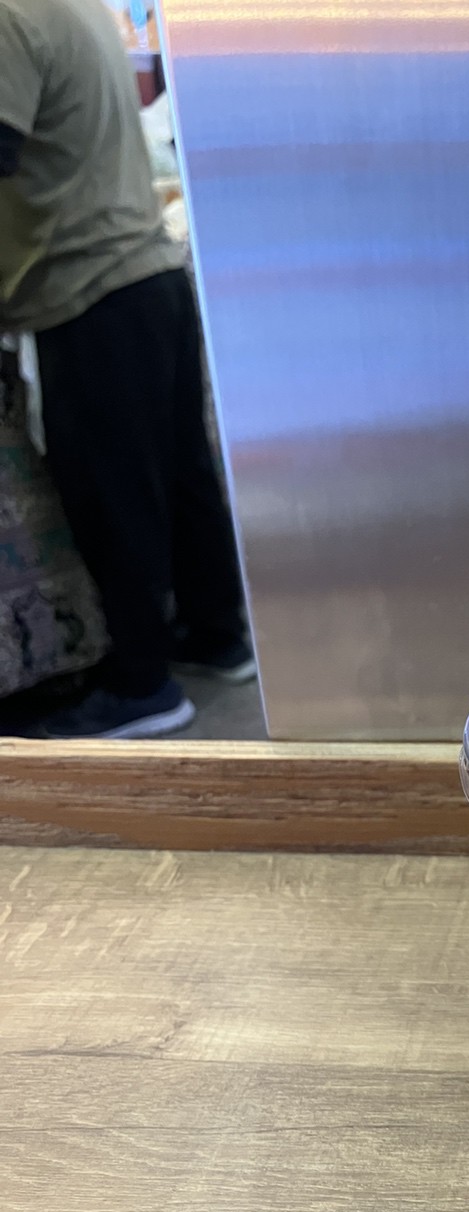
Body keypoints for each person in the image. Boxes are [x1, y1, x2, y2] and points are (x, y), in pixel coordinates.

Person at [0, 0, 254, 738]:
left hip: (88, 286)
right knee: (179, 474)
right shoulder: (73, 5)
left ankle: (141, 686)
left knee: (113, 492)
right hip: (148, 272)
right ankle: (216, 633)